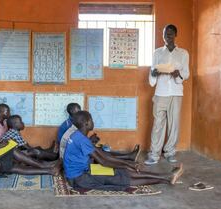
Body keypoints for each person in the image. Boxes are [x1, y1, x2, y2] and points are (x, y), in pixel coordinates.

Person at [63, 111, 184, 192]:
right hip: (80, 179)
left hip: (81, 173)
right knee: (123, 179)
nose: (94, 122)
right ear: (87, 123)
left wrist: (127, 164)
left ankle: (167, 177)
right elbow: (103, 161)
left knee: (122, 170)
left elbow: (103, 156)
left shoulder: (78, 135)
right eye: (92, 120)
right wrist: (128, 164)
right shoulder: (82, 140)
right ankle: (167, 177)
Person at [145, 24, 190, 165]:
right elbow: (152, 72)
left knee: (174, 124)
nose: (167, 37)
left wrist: (179, 74)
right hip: (160, 92)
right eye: (165, 34)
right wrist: (153, 73)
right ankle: (154, 154)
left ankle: (170, 152)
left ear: (175, 35)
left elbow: (187, 73)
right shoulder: (157, 53)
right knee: (158, 124)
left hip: (176, 93)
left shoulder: (183, 53)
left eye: (170, 34)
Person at [0, 112, 61, 176]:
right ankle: (46, 167)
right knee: (13, 161)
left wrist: (0, 147)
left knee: (12, 164)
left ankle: (48, 168)